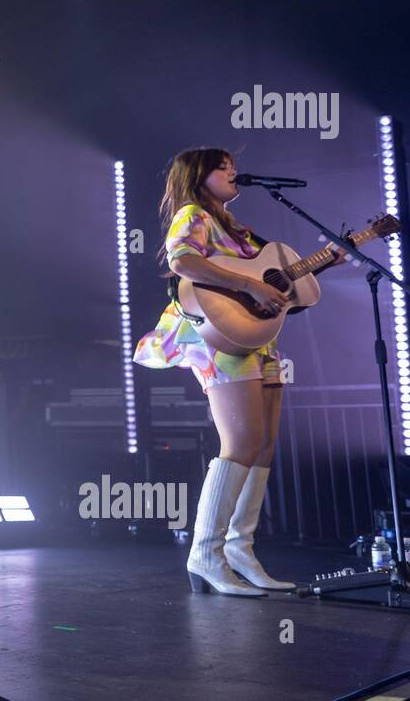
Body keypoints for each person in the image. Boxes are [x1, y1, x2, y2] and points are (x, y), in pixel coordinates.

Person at [133, 148, 345, 596]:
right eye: (222, 166)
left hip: (257, 336)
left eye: (232, 166)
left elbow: (278, 280)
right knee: (241, 442)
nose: (233, 172)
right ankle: (204, 555)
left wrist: (323, 261)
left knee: (264, 445)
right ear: (198, 176)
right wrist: (248, 284)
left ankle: (239, 548)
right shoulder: (192, 214)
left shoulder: (241, 230)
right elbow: (182, 262)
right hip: (215, 338)